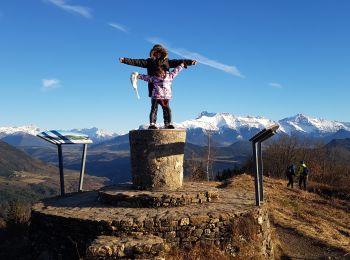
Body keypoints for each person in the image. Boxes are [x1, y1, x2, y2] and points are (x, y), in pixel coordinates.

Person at [119, 44, 197, 128]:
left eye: (159, 52)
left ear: (163, 52)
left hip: (165, 91)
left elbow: (179, 63)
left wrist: (190, 62)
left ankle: (167, 124)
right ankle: (153, 124)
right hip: (154, 88)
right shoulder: (149, 61)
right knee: (154, 108)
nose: (158, 54)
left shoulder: (167, 61)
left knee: (166, 108)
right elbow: (137, 62)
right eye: (156, 52)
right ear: (153, 53)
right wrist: (124, 60)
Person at [132, 63, 185, 129]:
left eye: (160, 73)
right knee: (153, 110)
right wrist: (137, 75)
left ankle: (168, 124)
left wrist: (182, 65)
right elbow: (146, 77)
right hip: (156, 97)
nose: (159, 74)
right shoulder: (154, 78)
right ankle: (152, 124)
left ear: (164, 71)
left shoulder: (170, 76)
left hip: (166, 97)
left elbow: (176, 70)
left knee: (167, 110)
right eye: (158, 73)